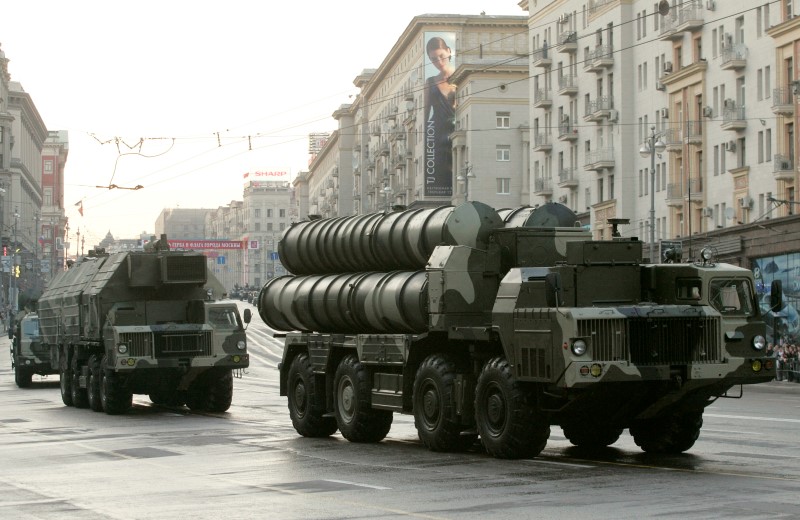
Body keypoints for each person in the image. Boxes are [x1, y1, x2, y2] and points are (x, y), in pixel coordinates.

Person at [423, 36, 456, 197]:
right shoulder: (430, 82)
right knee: (441, 172)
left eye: (441, 56)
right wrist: (424, 138)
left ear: (449, 52)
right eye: (433, 59)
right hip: (436, 135)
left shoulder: (461, 76)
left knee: (456, 167)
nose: (439, 61)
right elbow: (425, 113)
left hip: (456, 132)